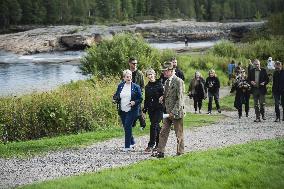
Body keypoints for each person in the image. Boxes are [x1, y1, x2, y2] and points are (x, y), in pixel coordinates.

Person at [153, 61, 185, 158]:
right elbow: (168, 95)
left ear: (171, 71)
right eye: (163, 71)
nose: (164, 73)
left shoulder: (179, 81)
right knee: (163, 132)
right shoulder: (166, 82)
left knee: (179, 134)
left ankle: (180, 153)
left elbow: (180, 99)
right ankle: (160, 152)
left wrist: (173, 112)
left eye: (166, 71)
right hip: (167, 112)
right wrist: (162, 97)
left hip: (177, 113)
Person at [113, 69, 143, 151]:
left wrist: (134, 102)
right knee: (127, 127)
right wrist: (115, 99)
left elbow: (140, 99)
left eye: (130, 76)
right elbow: (116, 95)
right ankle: (132, 142)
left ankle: (127, 146)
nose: (129, 78)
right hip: (122, 110)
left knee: (127, 126)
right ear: (124, 78)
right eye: (127, 77)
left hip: (132, 110)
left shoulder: (136, 87)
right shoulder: (120, 86)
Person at [142, 69, 164, 153]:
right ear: (147, 76)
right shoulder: (147, 87)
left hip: (159, 108)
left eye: (151, 74)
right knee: (157, 127)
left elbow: (165, 94)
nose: (150, 76)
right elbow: (146, 99)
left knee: (153, 125)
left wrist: (162, 96)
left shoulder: (159, 84)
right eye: (148, 75)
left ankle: (150, 145)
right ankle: (158, 145)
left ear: (154, 74)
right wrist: (144, 110)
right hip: (151, 109)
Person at [128, 57, 146, 129]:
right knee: (132, 109)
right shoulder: (127, 73)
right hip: (129, 95)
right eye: (133, 63)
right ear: (129, 63)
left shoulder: (140, 73)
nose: (135, 65)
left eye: (136, 63)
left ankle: (142, 124)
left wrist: (139, 93)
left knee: (138, 109)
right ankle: (135, 124)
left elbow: (142, 85)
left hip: (137, 95)